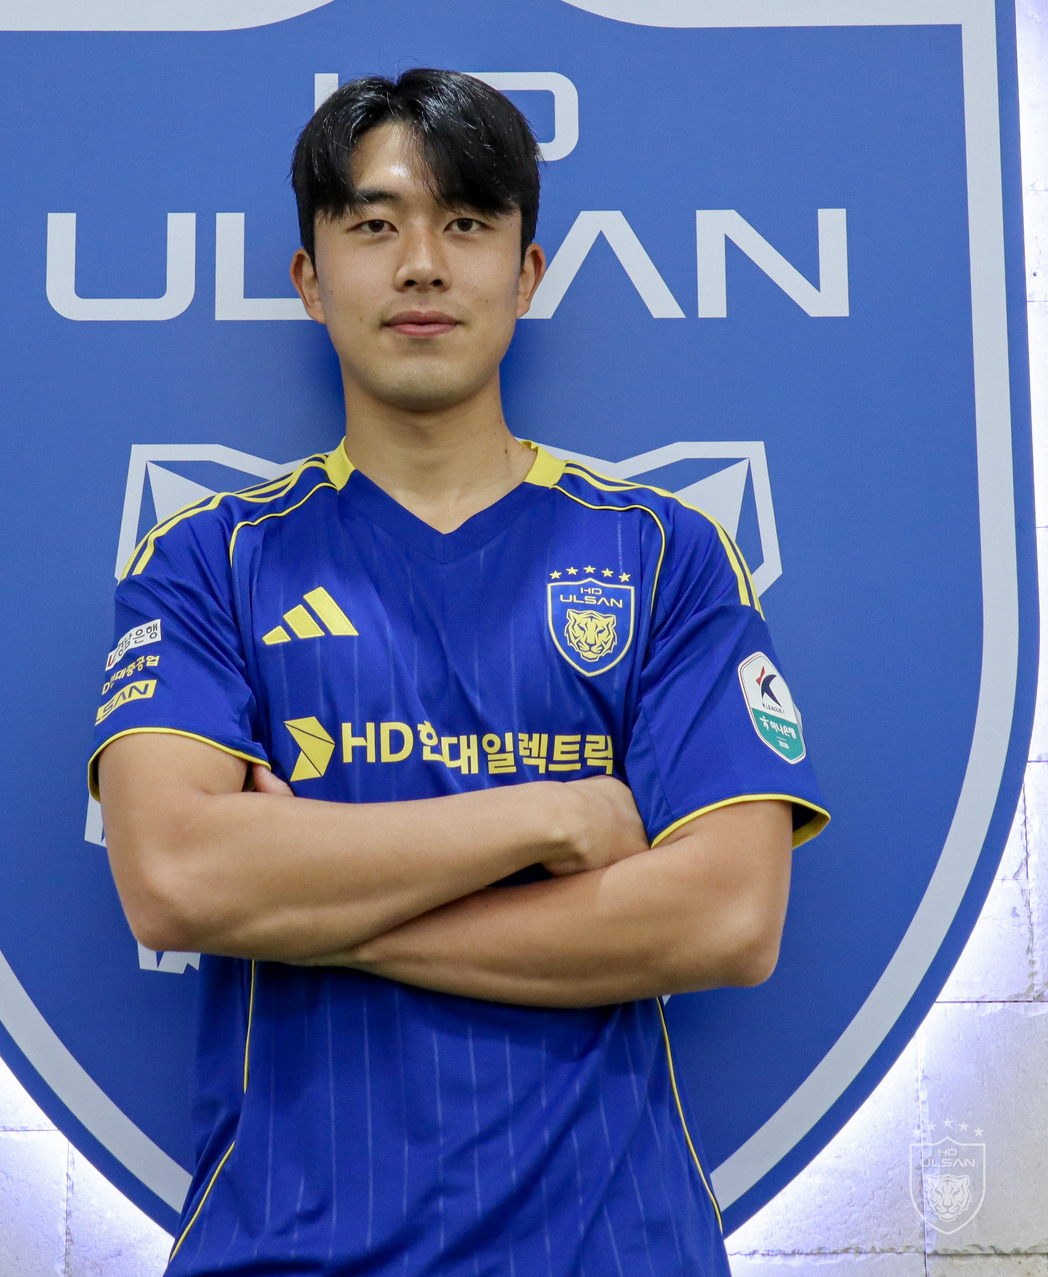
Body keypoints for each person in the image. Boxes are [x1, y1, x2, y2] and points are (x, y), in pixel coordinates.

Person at [91, 69, 829, 1276]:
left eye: (468, 224)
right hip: (288, 1251)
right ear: (310, 279)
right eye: (374, 225)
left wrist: (313, 909)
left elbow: (730, 918)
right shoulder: (208, 561)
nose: (423, 265)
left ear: (526, 275)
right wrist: (556, 815)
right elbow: (177, 879)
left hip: (612, 1249)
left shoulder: (665, 554)